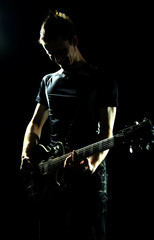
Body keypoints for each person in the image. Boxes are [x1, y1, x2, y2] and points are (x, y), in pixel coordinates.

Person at [20, 10, 118, 240]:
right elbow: (35, 125)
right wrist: (25, 155)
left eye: (61, 51)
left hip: (88, 179)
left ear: (74, 41)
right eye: (50, 54)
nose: (57, 59)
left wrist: (92, 164)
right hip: (50, 176)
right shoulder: (48, 81)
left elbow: (107, 134)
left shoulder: (103, 81)